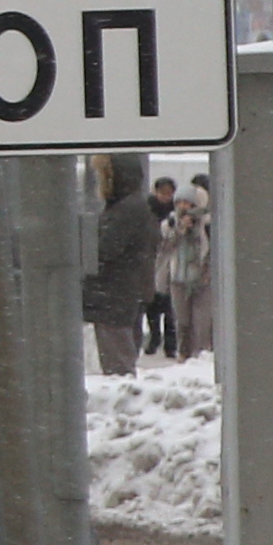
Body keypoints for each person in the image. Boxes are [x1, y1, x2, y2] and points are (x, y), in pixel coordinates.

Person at [83, 152, 151, 378]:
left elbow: (106, 249)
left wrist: (84, 239)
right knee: (119, 359)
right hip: (121, 295)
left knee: (117, 369)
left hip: (114, 297)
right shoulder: (130, 206)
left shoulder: (126, 210)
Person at [160, 174, 215, 360]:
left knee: (201, 322)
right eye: (180, 203)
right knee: (182, 322)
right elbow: (165, 248)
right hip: (178, 278)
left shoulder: (207, 224)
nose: (183, 207)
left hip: (202, 279)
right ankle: (183, 354)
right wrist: (180, 230)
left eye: (188, 203)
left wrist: (197, 228)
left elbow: (211, 250)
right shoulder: (169, 223)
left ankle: (201, 355)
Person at [138, 175, 185, 356]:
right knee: (153, 305)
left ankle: (170, 343)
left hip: (169, 262)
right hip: (153, 262)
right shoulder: (148, 210)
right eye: (162, 193)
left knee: (170, 307)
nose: (166, 197)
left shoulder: (178, 212)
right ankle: (155, 337)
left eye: (169, 193)